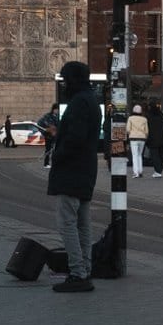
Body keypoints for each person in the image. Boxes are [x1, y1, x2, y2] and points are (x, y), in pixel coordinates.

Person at [46, 59, 102, 294]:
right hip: (86, 169)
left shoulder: (78, 102)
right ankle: (85, 270)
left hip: (71, 171)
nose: (64, 84)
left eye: (65, 79)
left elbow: (75, 138)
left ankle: (77, 272)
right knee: (83, 223)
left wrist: (57, 155)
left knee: (67, 223)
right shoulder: (91, 100)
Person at [145, 102, 163, 177]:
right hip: (162, 137)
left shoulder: (148, 115)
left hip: (152, 138)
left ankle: (157, 171)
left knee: (155, 156)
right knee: (161, 154)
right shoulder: (162, 114)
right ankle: (160, 169)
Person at [126, 103, 149, 178]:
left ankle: (135, 172)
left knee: (134, 155)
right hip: (142, 138)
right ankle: (140, 171)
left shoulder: (130, 118)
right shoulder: (144, 119)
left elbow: (128, 129)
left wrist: (130, 133)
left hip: (133, 138)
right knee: (139, 155)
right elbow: (147, 131)